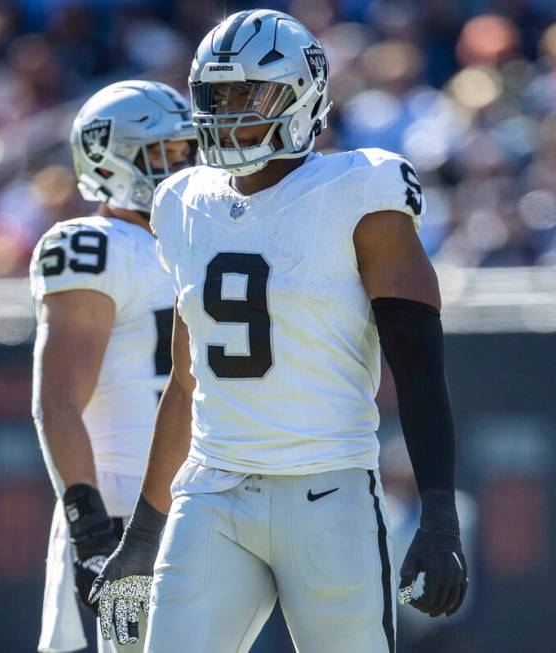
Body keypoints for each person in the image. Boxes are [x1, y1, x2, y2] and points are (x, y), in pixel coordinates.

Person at [90, 10, 468, 652]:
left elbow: (419, 365)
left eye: (248, 95)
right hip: (212, 490)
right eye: (217, 97)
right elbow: (186, 383)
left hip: (328, 491)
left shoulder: (360, 188)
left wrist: (438, 513)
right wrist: (145, 532)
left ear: (305, 96)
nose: (230, 112)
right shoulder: (183, 202)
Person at [29, 80, 196, 653]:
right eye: (164, 154)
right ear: (110, 158)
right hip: (121, 512)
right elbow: (58, 401)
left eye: (186, 151)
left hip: (205, 505)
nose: (181, 167)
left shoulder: (203, 238)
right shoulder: (94, 245)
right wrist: (88, 523)